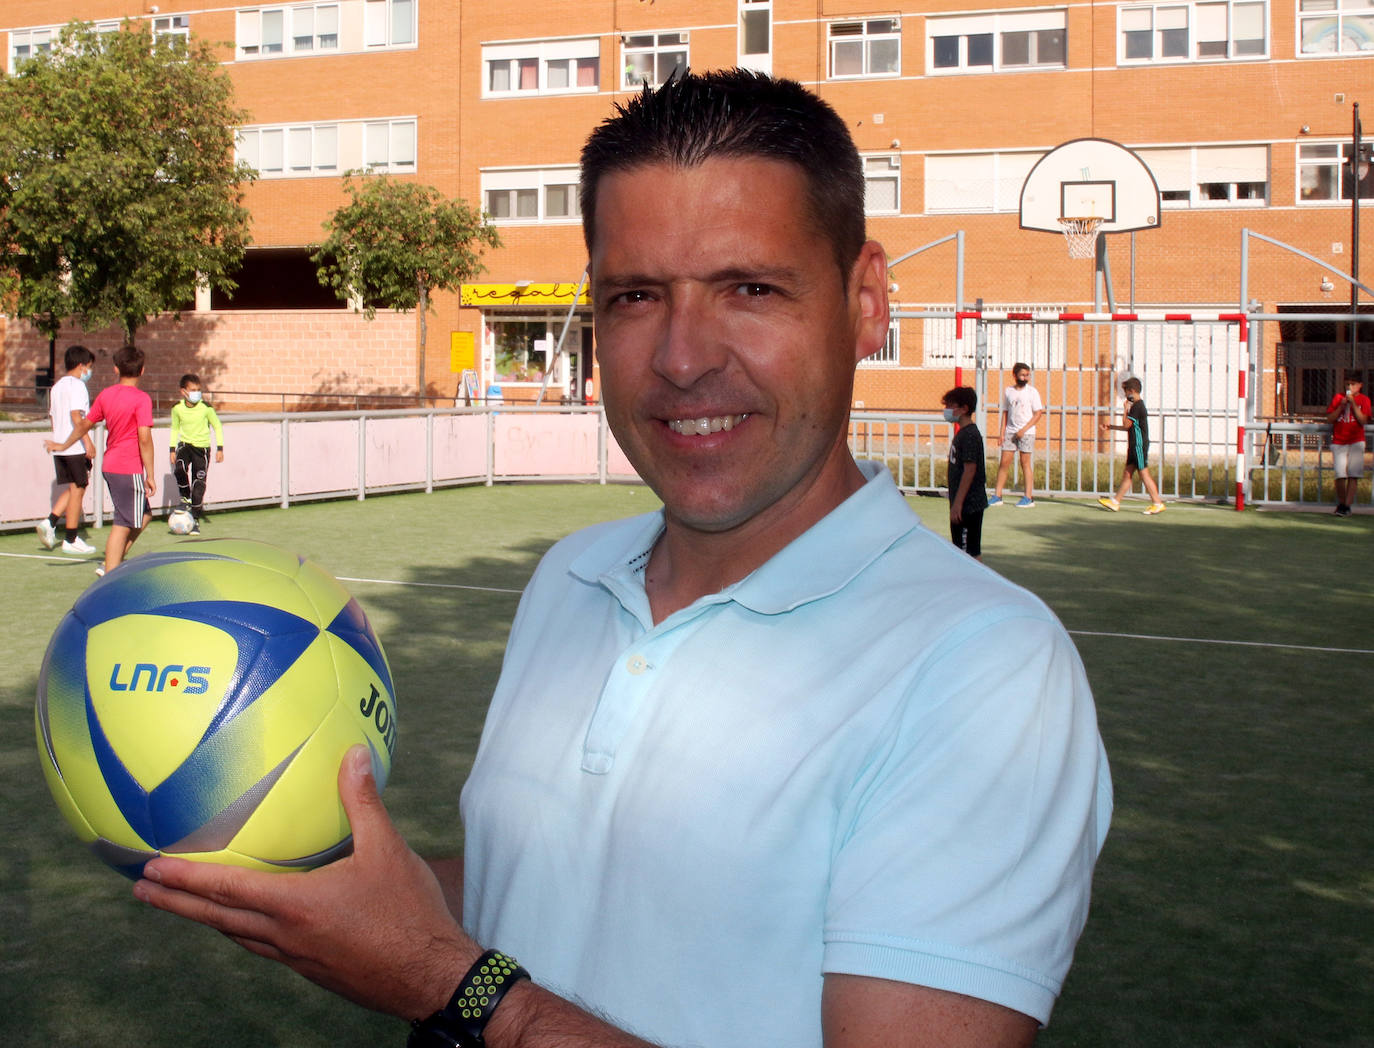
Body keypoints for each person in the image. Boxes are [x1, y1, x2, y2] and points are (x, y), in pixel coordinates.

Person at [133, 72, 1111, 1048]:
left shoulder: (986, 669)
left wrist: (454, 986)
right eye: (637, 295)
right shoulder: (569, 576)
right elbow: (556, 885)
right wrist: (344, 893)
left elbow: (466, 976)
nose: (684, 357)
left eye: (751, 288)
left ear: (865, 303)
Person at [45, 344, 156, 576]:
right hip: (129, 467)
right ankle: (110, 571)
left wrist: (63, 445)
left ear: (116, 369)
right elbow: (144, 438)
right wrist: (151, 474)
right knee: (123, 523)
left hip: (111, 466)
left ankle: (111, 563)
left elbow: (85, 424)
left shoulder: (106, 394)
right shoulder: (142, 399)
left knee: (144, 515)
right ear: (142, 370)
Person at [37, 344, 98, 556]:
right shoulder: (78, 386)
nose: (89, 372)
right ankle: (71, 539)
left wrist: (59, 441)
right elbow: (77, 418)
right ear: (82, 366)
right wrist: (88, 442)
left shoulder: (57, 387)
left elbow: (54, 417)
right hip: (74, 448)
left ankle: (50, 522)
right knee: (79, 489)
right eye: (89, 367)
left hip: (61, 446)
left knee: (73, 488)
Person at [1097, 376, 1166, 515]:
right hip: (1134, 445)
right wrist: (1111, 427)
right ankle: (1115, 502)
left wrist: (1125, 409)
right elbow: (1129, 427)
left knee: (1143, 473)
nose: (1126, 396)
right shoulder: (1136, 406)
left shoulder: (1138, 406)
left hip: (1139, 445)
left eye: (1126, 392)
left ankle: (1157, 503)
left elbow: (1126, 423)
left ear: (1132, 391)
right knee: (1127, 473)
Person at [169, 372, 225, 535]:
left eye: (198, 390)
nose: (196, 393)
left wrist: (220, 448)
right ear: (183, 391)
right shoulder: (177, 408)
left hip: (202, 449)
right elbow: (174, 428)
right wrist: (172, 449)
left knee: (198, 484)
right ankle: (184, 497)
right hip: (185, 446)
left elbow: (218, 426)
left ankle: (195, 519)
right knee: (179, 469)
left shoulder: (206, 408)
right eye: (193, 390)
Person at [988, 362, 1044, 508]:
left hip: (1027, 433)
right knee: (1004, 462)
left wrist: (1023, 430)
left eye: (1027, 375)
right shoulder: (1008, 391)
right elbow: (1005, 413)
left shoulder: (1032, 392)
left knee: (1025, 463)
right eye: (1023, 375)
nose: (1025, 378)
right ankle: (997, 495)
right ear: (1015, 375)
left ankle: (1028, 497)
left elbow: (1038, 414)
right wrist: (1002, 434)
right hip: (1010, 432)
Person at [943, 385, 987, 560]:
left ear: (964, 409)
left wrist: (958, 503)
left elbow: (970, 470)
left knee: (968, 552)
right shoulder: (963, 433)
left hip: (969, 504)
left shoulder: (969, 435)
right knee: (963, 550)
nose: (947, 410)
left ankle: (975, 585)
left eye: (951, 406)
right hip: (964, 503)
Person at [1324, 372, 1370, 516]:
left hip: (1356, 440)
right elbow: (1330, 419)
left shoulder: (1364, 400)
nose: (1350, 387)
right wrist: (1341, 406)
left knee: (1353, 474)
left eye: (1353, 384)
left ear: (1360, 386)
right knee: (1340, 474)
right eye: (1347, 384)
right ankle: (1342, 503)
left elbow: (1363, 420)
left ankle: (1347, 506)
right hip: (1339, 441)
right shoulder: (1338, 398)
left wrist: (1354, 404)